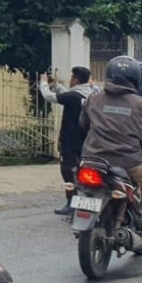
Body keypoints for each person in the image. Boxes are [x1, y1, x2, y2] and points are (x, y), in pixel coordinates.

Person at [80, 55, 142, 242]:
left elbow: (82, 125)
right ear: (136, 78)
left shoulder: (93, 99)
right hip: (129, 163)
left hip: (92, 159)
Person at [39, 66, 94, 216]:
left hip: (70, 140)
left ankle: (71, 202)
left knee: (68, 171)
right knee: (83, 169)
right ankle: (84, 198)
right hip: (86, 140)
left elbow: (49, 97)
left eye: (71, 77)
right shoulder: (89, 94)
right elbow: (68, 95)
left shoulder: (73, 96)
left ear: (75, 79)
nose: (70, 79)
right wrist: (56, 85)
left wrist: (43, 83)